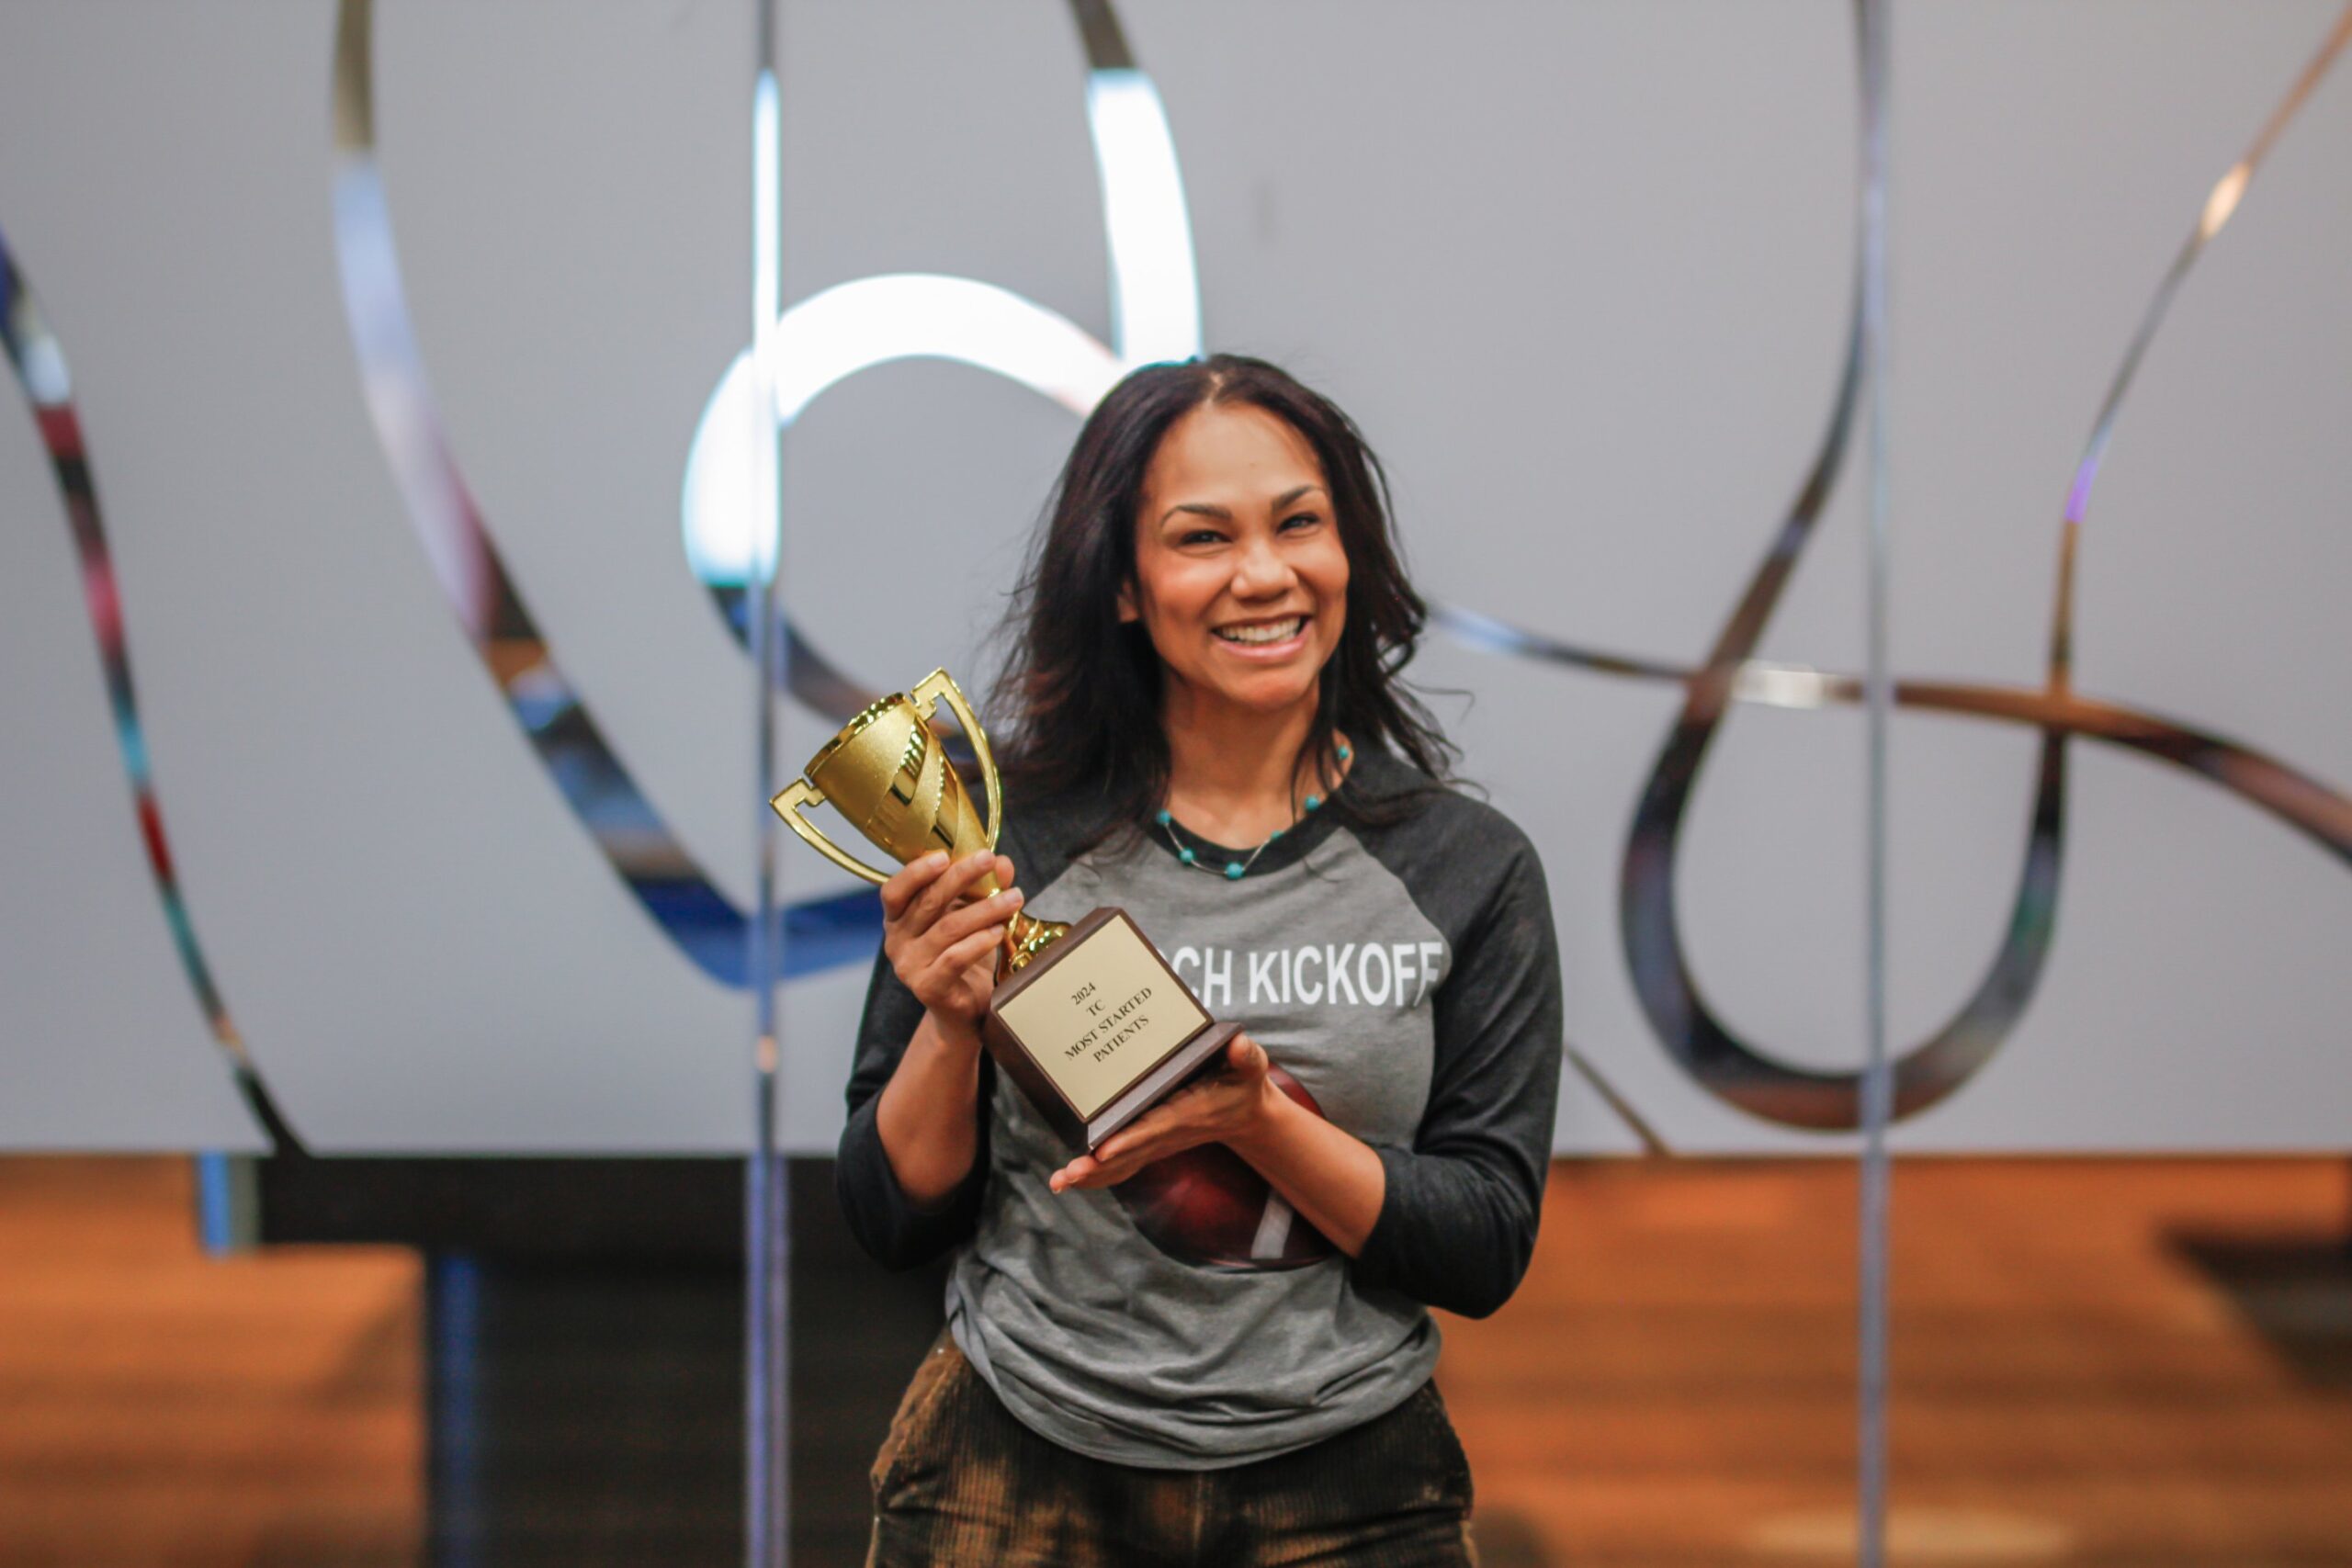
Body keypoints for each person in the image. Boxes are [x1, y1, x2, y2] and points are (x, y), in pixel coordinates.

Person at [838, 355, 1563, 1566]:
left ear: (1350, 551)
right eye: (1202, 537)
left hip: (1353, 1493)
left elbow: (1484, 1244)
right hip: (1012, 1476)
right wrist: (952, 1024)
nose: (1264, 573)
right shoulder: (1010, 844)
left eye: (1299, 524)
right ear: (1125, 586)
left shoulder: (1467, 867)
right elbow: (889, 1218)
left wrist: (1257, 1123)